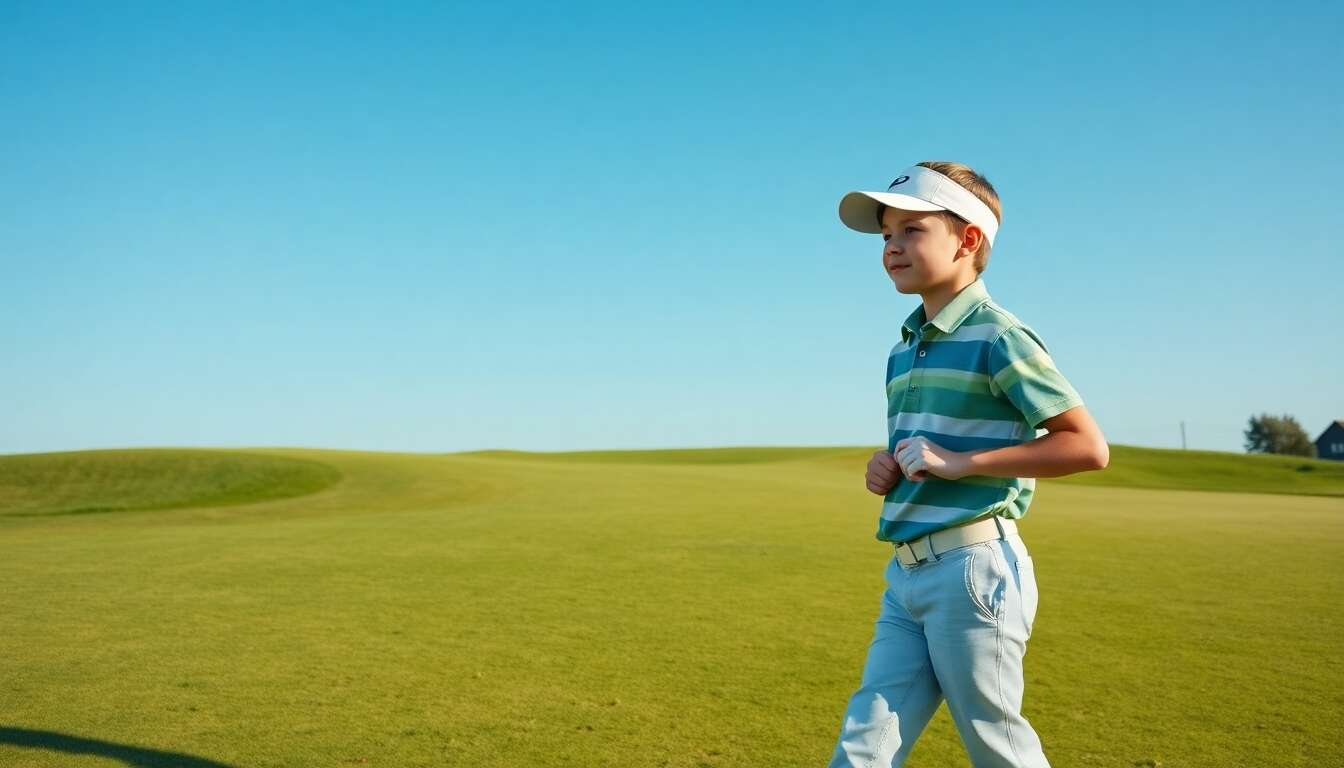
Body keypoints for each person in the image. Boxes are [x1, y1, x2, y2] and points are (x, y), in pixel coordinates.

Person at [827, 161, 1109, 767]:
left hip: (973, 573)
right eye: (886, 236)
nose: (892, 247)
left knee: (995, 744)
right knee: (863, 745)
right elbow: (922, 449)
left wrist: (962, 463)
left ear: (969, 239)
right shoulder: (903, 349)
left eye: (912, 230)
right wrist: (888, 468)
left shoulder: (998, 336)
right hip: (906, 573)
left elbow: (1085, 445)